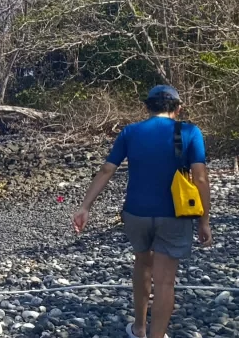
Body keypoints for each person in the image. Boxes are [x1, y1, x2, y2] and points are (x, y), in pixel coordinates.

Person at [72, 85, 212, 338]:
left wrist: (85, 207)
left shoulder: (131, 132)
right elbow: (200, 178)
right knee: (165, 281)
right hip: (174, 214)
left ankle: (139, 327)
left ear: (146, 107)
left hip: (135, 213)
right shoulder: (190, 132)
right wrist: (204, 220)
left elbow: (107, 170)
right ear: (178, 108)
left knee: (142, 264)